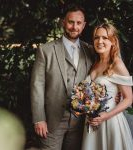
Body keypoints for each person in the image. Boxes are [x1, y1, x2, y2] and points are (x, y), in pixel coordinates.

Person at [30, 3, 94, 150]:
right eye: (71, 22)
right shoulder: (45, 50)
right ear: (63, 22)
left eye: (78, 23)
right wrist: (39, 119)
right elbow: (37, 86)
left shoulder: (90, 50)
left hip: (79, 122)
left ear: (84, 25)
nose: (74, 27)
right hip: (52, 121)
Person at [81, 23, 133, 150]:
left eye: (105, 38)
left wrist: (106, 116)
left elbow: (128, 99)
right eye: (96, 38)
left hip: (110, 122)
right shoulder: (95, 63)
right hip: (92, 122)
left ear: (113, 41)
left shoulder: (117, 64)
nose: (100, 41)